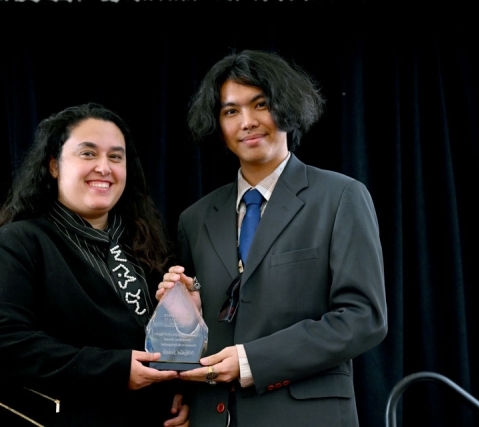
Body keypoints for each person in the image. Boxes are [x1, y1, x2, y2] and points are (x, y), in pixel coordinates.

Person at [157, 49, 388, 426]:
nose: (246, 122)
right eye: (231, 111)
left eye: (260, 104)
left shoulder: (341, 197)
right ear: (217, 124)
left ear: (286, 108)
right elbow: (200, 331)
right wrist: (180, 311)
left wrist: (250, 362)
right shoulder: (194, 218)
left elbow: (364, 318)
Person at [0, 103, 189, 427]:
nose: (104, 167)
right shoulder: (16, 243)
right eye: (88, 154)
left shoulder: (147, 246)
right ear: (54, 166)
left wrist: (182, 390)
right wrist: (113, 370)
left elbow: (165, 347)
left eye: (115, 157)